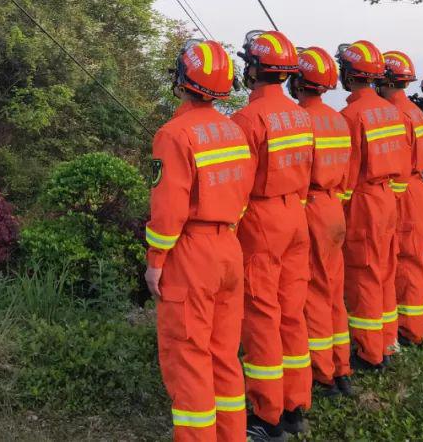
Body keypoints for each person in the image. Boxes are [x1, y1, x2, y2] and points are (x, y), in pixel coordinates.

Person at [145, 39, 253, 442]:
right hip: (229, 247)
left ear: (182, 79)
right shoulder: (234, 130)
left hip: (192, 253)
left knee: (189, 357)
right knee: (224, 354)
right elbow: (242, 196)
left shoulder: (173, 134)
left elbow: (168, 210)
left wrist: (156, 260)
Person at [231, 31, 313, 440]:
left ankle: (267, 416)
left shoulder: (247, 120)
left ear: (256, 68)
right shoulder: (301, 114)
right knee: (292, 311)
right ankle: (296, 404)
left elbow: (238, 187)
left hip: (262, 221)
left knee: (262, 316)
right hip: (296, 216)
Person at [337, 40, 409, 372]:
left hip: (364, 201)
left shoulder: (350, 116)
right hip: (388, 200)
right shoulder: (393, 112)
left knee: (364, 274)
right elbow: (402, 164)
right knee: (384, 271)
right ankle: (387, 341)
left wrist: (338, 211)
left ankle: (369, 352)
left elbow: (347, 175)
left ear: (349, 76)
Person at [288, 46, 354, 399]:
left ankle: (321, 372)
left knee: (312, 291)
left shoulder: (300, 120)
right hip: (334, 207)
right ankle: (341, 366)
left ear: (298, 80)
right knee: (333, 291)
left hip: (310, 205)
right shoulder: (339, 119)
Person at [381, 52, 423, 346]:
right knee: (416, 257)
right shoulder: (415, 110)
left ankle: (411, 330)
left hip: (402, 191)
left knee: (404, 259)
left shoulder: (395, 115)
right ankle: (417, 322)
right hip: (417, 188)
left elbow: (396, 163)